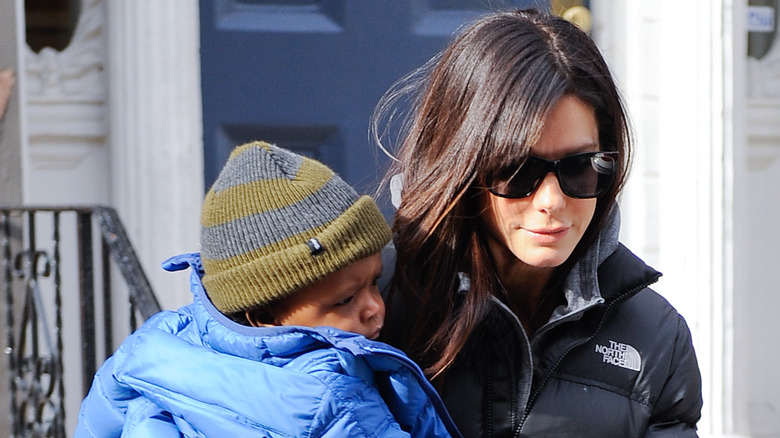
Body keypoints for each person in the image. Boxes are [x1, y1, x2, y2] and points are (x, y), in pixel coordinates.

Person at [373, 9, 703, 437]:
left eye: (581, 167)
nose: (551, 201)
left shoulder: (656, 336)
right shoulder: (372, 306)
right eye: (516, 170)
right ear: (462, 164)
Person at [75, 141, 461, 437]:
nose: (375, 307)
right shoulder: (334, 398)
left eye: (374, 282)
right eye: (345, 299)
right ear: (262, 315)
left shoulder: (152, 347)